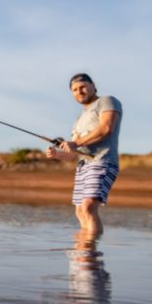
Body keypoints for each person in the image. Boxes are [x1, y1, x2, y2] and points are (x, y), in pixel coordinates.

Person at [45, 73, 122, 236]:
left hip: (102, 161)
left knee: (88, 206)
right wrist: (57, 154)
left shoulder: (107, 101)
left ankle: (91, 253)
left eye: (82, 87)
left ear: (93, 85)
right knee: (80, 211)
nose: (79, 91)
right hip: (83, 167)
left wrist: (75, 143)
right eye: (74, 90)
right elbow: (73, 155)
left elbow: (106, 129)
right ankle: (83, 254)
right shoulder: (78, 120)